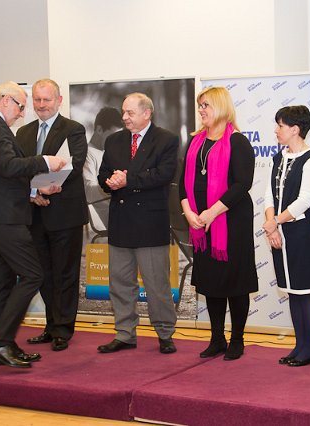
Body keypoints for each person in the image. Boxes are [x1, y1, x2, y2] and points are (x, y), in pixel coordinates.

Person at [0, 81, 66, 368]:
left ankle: (5, 345)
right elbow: (9, 166)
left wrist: (34, 191)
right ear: (6, 100)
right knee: (33, 275)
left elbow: (1, 176)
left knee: (4, 281)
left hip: (0, 214)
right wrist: (44, 162)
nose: (23, 113)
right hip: (5, 217)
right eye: (22, 106)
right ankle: (0, 342)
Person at [96, 92, 178, 355]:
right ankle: (125, 333)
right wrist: (109, 181)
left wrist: (127, 180)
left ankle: (164, 332)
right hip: (120, 223)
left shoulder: (166, 139)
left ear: (147, 113)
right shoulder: (114, 140)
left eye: (130, 113)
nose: (124, 117)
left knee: (157, 284)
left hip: (150, 224)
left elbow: (163, 174)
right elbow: (103, 173)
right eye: (123, 112)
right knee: (120, 283)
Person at [180, 86, 257, 361]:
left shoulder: (238, 142)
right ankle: (217, 339)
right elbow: (182, 184)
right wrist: (189, 213)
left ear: (221, 107)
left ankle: (237, 339)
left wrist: (212, 213)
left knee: (234, 283)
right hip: (201, 225)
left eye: (206, 105)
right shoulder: (195, 142)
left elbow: (242, 184)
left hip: (231, 223)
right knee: (211, 282)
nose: (201, 110)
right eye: (200, 105)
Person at [16, 79, 88, 352]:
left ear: (59, 100)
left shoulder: (73, 129)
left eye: (46, 99)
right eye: (37, 99)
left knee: (65, 274)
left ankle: (63, 330)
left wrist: (40, 186)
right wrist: (33, 190)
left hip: (65, 215)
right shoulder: (23, 132)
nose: (41, 105)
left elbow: (74, 165)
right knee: (43, 274)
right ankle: (50, 325)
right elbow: (15, 169)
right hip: (34, 214)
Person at [262, 106, 310, 367]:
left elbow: (304, 201)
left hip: (302, 232)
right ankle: (300, 345)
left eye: (280, 125)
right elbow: (269, 195)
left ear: (295, 129)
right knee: (292, 290)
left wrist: (275, 222)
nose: (276, 130)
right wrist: (272, 225)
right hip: (280, 231)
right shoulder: (279, 157)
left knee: (305, 290)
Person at [83, 107, 123, 230]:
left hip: (118, 211)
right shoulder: (87, 154)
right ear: (99, 129)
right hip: (109, 217)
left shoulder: (108, 152)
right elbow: (88, 190)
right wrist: (114, 186)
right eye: (113, 136)